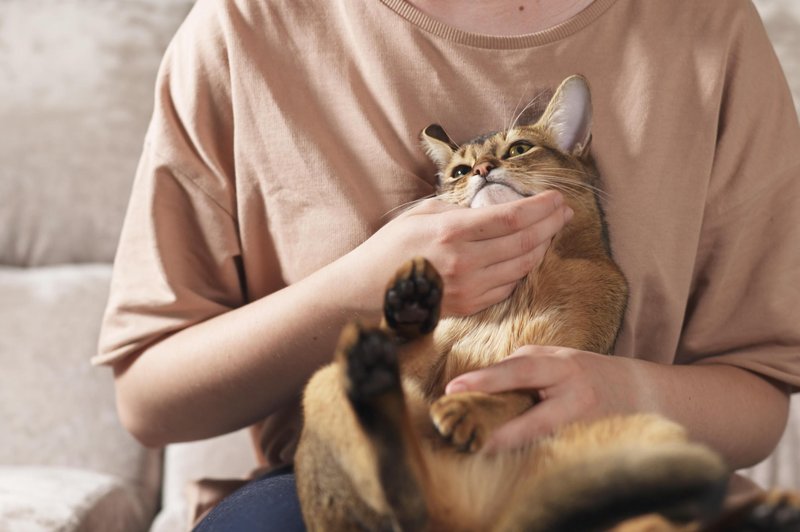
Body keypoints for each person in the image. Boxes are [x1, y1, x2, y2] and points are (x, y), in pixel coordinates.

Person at [94, 0, 800, 529]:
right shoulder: (244, 29)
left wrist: (614, 394)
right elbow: (149, 399)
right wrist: (361, 290)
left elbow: (759, 394)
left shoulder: (707, 26)